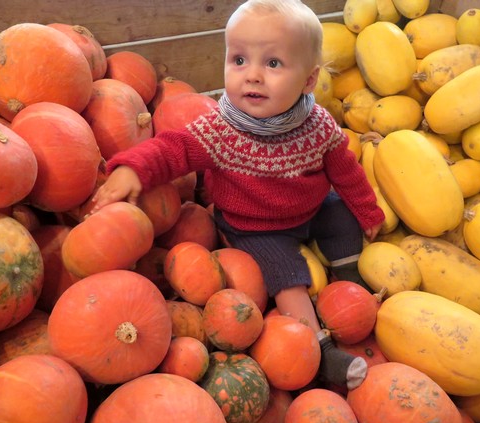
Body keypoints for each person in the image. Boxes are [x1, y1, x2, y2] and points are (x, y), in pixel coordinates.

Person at [90, 0, 385, 389]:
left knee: (342, 216)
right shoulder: (221, 130)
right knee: (286, 276)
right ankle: (319, 350)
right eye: (240, 60)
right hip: (255, 226)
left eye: (274, 64)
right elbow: (171, 149)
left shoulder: (319, 126)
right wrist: (133, 167)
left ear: (310, 80)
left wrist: (368, 212)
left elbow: (347, 173)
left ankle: (351, 286)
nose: (253, 76)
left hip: (310, 208)